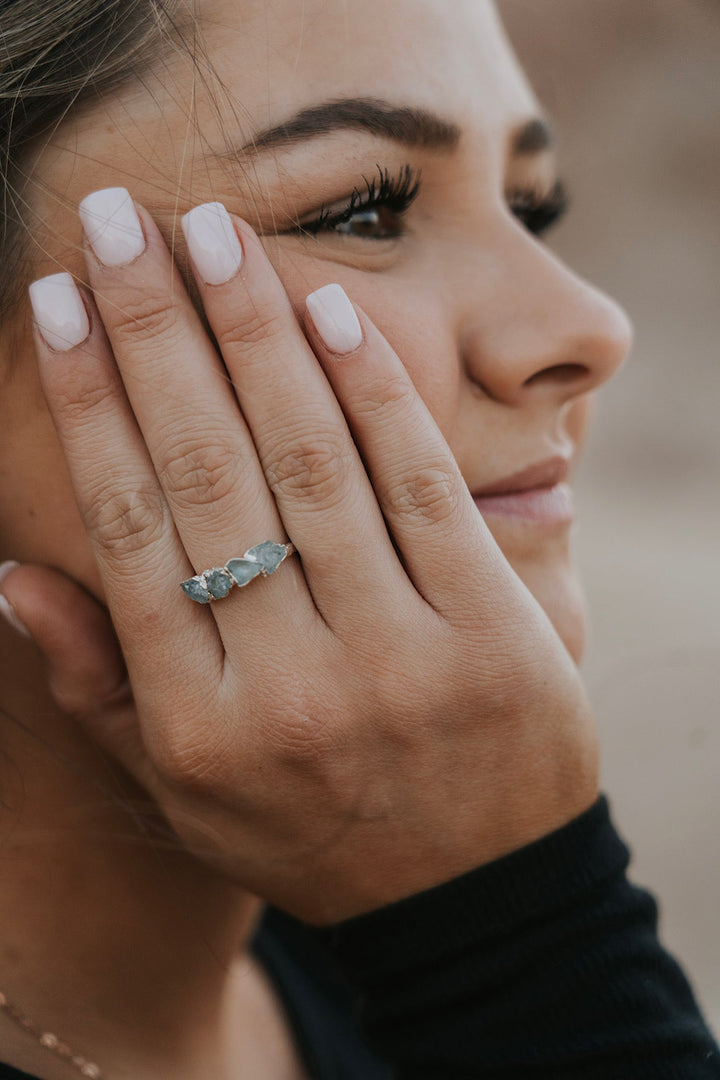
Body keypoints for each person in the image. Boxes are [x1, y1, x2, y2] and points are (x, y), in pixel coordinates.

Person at [0, 0, 717, 1077]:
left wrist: (494, 919)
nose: (588, 328)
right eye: (366, 210)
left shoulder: (372, 956)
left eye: (532, 206)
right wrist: (518, 937)